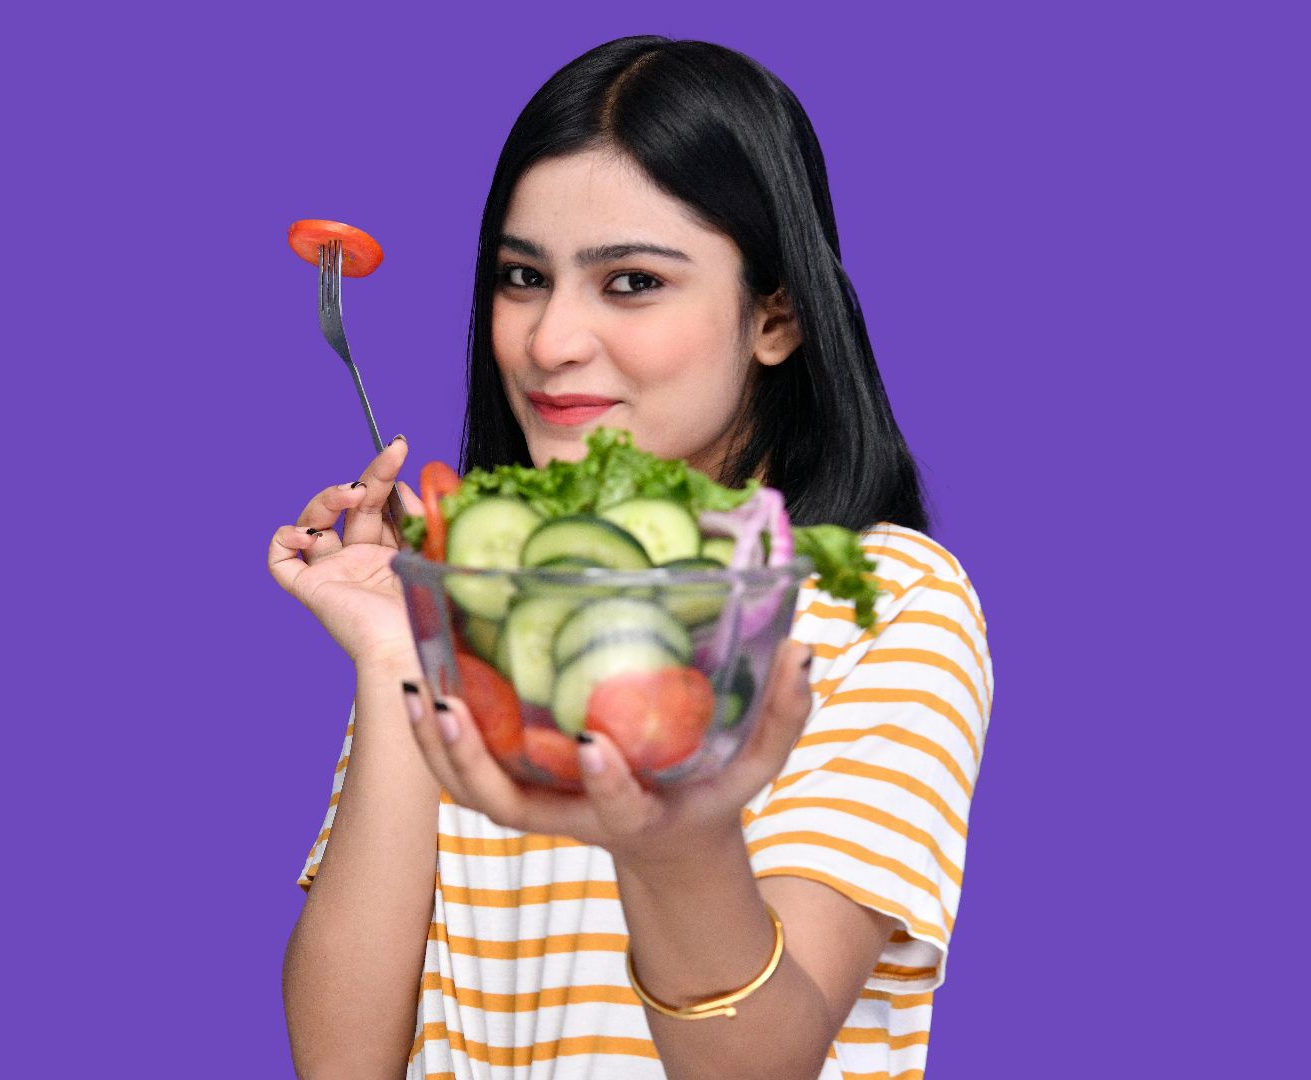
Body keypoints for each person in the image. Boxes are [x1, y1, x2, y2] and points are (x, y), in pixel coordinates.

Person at [268, 36, 994, 1080]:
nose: (550, 339)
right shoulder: (472, 592)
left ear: (777, 315)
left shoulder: (878, 601)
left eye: (632, 282)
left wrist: (669, 840)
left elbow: (758, 1065)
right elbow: (341, 1064)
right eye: (524, 276)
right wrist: (397, 655)